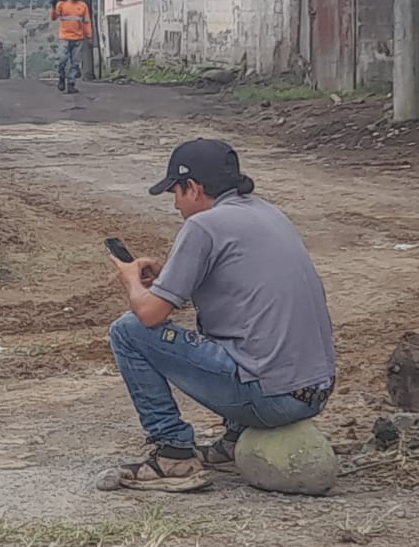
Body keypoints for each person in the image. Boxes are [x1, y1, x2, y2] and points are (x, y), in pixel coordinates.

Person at [107, 139, 335, 492]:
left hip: (272, 400)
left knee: (127, 330)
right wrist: (169, 274)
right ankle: (234, 439)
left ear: (193, 187)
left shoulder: (204, 225)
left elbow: (149, 315)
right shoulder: (268, 213)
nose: (175, 204)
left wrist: (131, 281)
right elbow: (238, 284)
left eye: (175, 192)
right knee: (239, 326)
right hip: (314, 391)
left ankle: (173, 455)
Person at [52, 0, 92, 94]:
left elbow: (86, 22)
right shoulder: (62, 4)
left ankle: (71, 84)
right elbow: (54, 17)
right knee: (62, 60)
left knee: (75, 63)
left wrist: (89, 36)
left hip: (78, 38)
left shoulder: (83, 6)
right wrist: (54, 7)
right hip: (64, 38)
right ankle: (61, 77)